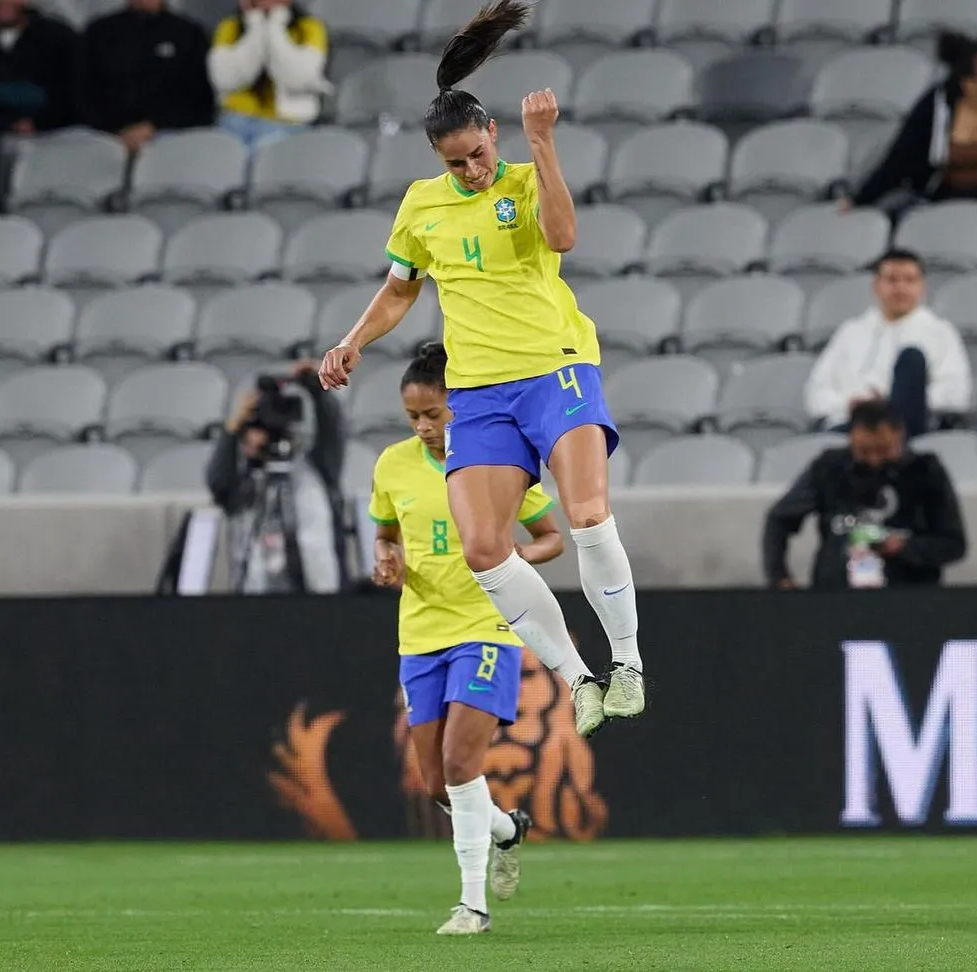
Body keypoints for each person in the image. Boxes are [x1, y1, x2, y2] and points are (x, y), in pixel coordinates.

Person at [318, 0, 644, 741]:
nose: (470, 170)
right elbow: (401, 289)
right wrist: (353, 340)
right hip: (480, 392)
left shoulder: (525, 180)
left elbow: (564, 234)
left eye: (476, 153)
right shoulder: (423, 207)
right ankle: (579, 679)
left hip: (555, 368)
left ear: (493, 132)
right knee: (484, 548)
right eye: (454, 162)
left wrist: (544, 145)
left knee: (588, 514)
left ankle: (625, 661)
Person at [369, 343, 563, 935]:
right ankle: (507, 829)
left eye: (434, 412)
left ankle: (471, 906)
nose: (425, 426)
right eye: (414, 417)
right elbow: (385, 533)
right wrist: (386, 559)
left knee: (459, 762)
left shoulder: (495, 462)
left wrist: (522, 557)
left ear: (460, 403)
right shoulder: (392, 465)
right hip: (420, 632)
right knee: (436, 783)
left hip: (486, 626)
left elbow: (551, 535)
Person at [846, 32, 977, 220]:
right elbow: (899, 159)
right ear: (969, 84)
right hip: (940, 199)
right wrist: (859, 200)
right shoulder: (935, 106)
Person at [763, 400, 967, 590]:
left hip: (907, 596)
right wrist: (779, 577)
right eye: (864, 451)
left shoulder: (926, 471)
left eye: (883, 450)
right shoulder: (830, 467)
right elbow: (779, 519)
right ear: (850, 438)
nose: (874, 459)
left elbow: (954, 544)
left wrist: (905, 547)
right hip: (834, 598)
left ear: (900, 435)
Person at [206, 361, 346, 594]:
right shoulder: (244, 483)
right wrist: (233, 429)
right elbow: (218, 482)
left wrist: (317, 389)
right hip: (256, 602)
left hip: (320, 600)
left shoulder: (316, 471)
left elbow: (333, 432)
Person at [805, 249, 972, 440]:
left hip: (905, 428)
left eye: (909, 280)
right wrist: (850, 404)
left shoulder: (940, 331)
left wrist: (890, 402)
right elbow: (816, 392)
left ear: (922, 287)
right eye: (892, 280)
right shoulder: (851, 331)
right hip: (850, 426)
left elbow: (956, 394)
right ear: (876, 285)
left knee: (912, 358)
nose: (900, 288)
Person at [80, 0, 214, 155]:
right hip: (104, 139)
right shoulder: (98, 32)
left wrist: (154, 126)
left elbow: (202, 102)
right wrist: (117, 131)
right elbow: (84, 93)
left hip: (171, 139)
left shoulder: (190, 34)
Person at [207, 0, 330, 154]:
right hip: (235, 119)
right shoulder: (229, 27)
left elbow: (296, 77)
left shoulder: (311, 27)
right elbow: (225, 78)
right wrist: (256, 26)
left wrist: (275, 26)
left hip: (288, 124)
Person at [0, 0, 78, 135]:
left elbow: (76, 90)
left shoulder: (59, 37)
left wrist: (39, 122)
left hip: (60, 137)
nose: (1, 2)